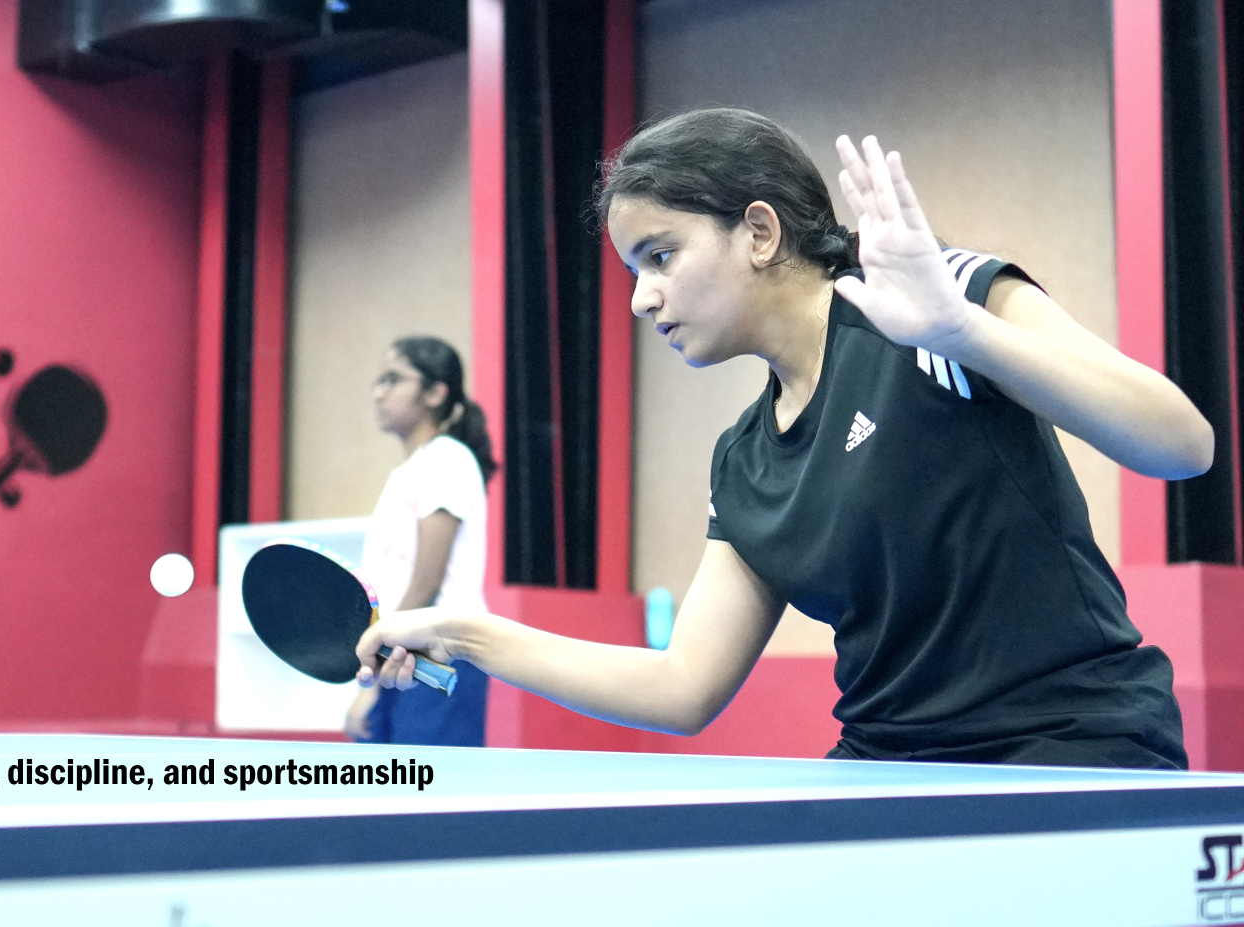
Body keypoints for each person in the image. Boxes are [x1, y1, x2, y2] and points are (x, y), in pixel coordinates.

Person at [357, 108, 1213, 769]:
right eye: (632, 271)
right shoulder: (746, 463)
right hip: (889, 767)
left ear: (760, 232)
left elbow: (1183, 443)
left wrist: (964, 334)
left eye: (660, 256)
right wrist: (468, 633)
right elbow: (684, 686)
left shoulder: (939, 307)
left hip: (1069, 747)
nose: (641, 299)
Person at [344, 336, 499, 747]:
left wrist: (374, 677)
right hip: (402, 652)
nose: (379, 393)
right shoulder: (409, 471)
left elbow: (427, 581)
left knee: (431, 787)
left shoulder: (448, 458)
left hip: (440, 656)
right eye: (379, 381)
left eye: (393, 379)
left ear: (435, 393)